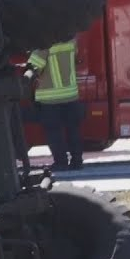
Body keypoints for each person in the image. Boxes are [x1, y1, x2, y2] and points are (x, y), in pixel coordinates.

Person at [27, 38, 84, 171]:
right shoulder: (71, 41)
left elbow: (34, 68)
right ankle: (77, 161)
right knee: (73, 130)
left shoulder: (44, 44)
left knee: (54, 133)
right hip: (70, 95)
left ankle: (61, 162)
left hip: (51, 98)